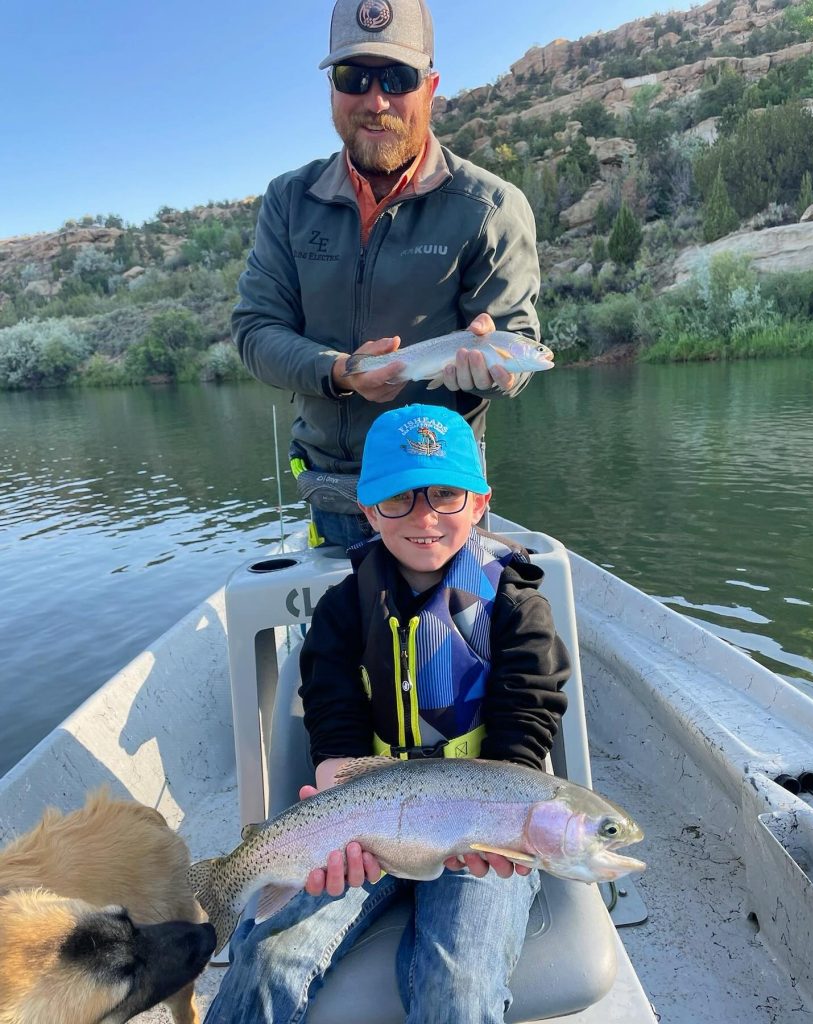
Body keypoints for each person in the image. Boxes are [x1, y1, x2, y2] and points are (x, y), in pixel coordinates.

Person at [204, 404, 571, 1024]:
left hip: (479, 832)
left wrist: (503, 827)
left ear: (480, 503)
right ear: (369, 511)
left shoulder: (518, 609)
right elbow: (331, 714)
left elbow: (525, 728)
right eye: (399, 499)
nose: (424, 517)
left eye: (445, 494)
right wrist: (333, 777)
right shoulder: (341, 611)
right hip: (363, 826)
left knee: (461, 986)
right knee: (268, 956)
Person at [232, 0, 547, 548]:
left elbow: (516, 348)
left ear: (430, 88)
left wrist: (492, 369)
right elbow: (256, 331)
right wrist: (342, 370)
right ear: (332, 89)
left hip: (439, 504)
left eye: (398, 78)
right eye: (353, 78)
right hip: (331, 494)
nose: (375, 101)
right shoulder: (288, 200)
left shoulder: (493, 206)